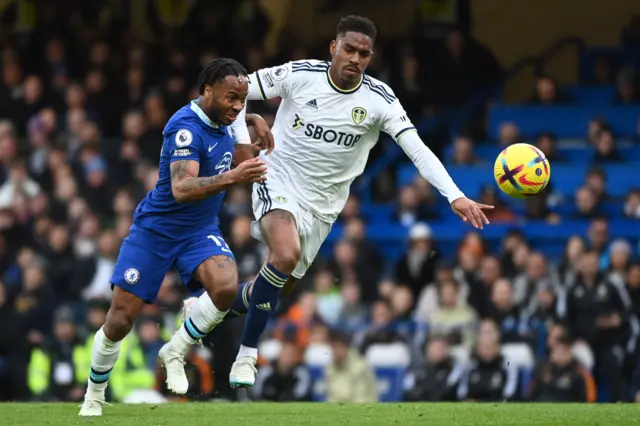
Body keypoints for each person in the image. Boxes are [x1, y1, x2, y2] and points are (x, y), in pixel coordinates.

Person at [194, 15, 492, 389]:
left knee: (273, 287)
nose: (355, 58)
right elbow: (237, 90)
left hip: (324, 206)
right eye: (349, 49)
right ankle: (247, 354)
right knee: (283, 255)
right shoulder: (299, 74)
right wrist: (239, 139)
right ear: (333, 47)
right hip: (279, 178)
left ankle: (205, 310)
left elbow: (417, 149)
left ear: (371, 57)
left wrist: (456, 195)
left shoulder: (379, 99)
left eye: (363, 54)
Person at [78, 58, 274, 416]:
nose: (237, 106)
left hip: (199, 230)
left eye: (242, 100)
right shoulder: (184, 127)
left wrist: (251, 119)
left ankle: (176, 349)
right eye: (232, 98)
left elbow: (234, 130)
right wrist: (234, 176)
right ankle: (95, 392)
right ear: (207, 90)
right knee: (121, 319)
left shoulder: (226, 118)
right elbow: (183, 188)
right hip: (157, 230)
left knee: (227, 287)